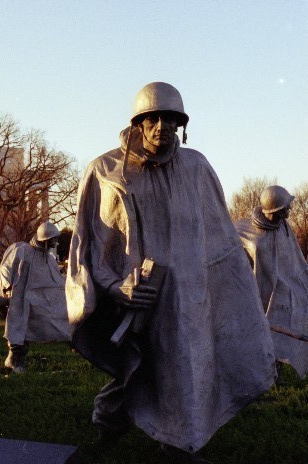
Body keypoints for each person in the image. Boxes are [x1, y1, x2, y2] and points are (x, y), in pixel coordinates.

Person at [66, 82, 274, 460]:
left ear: (181, 125)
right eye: (154, 118)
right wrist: (117, 288)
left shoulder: (197, 167)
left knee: (185, 366)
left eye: (171, 119)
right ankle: (107, 423)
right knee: (138, 368)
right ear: (139, 123)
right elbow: (92, 244)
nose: (162, 125)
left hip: (188, 295)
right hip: (136, 296)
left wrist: (229, 287)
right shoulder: (105, 171)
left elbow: (219, 236)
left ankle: (180, 445)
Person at [236, 185, 308, 382]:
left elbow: (295, 259)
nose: (290, 210)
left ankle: (277, 370)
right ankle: (262, 372)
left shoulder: (285, 227)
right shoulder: (245, 232)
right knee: (261, 333)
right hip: (258, 292)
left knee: (287, 324)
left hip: (285, 289)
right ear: (275, 210)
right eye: (286, 207)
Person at [0, 221, 70, 374]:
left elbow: (56, 280)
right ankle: (15, 360)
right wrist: (7, 288)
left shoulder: (49, 258)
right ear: (44, 239)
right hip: (20, 297)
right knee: (18, 328)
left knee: (35, 327)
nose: (55, 242)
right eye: (53, 239)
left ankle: (16, 359)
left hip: (40, 301)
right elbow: (7, 269)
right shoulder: (22, 251)